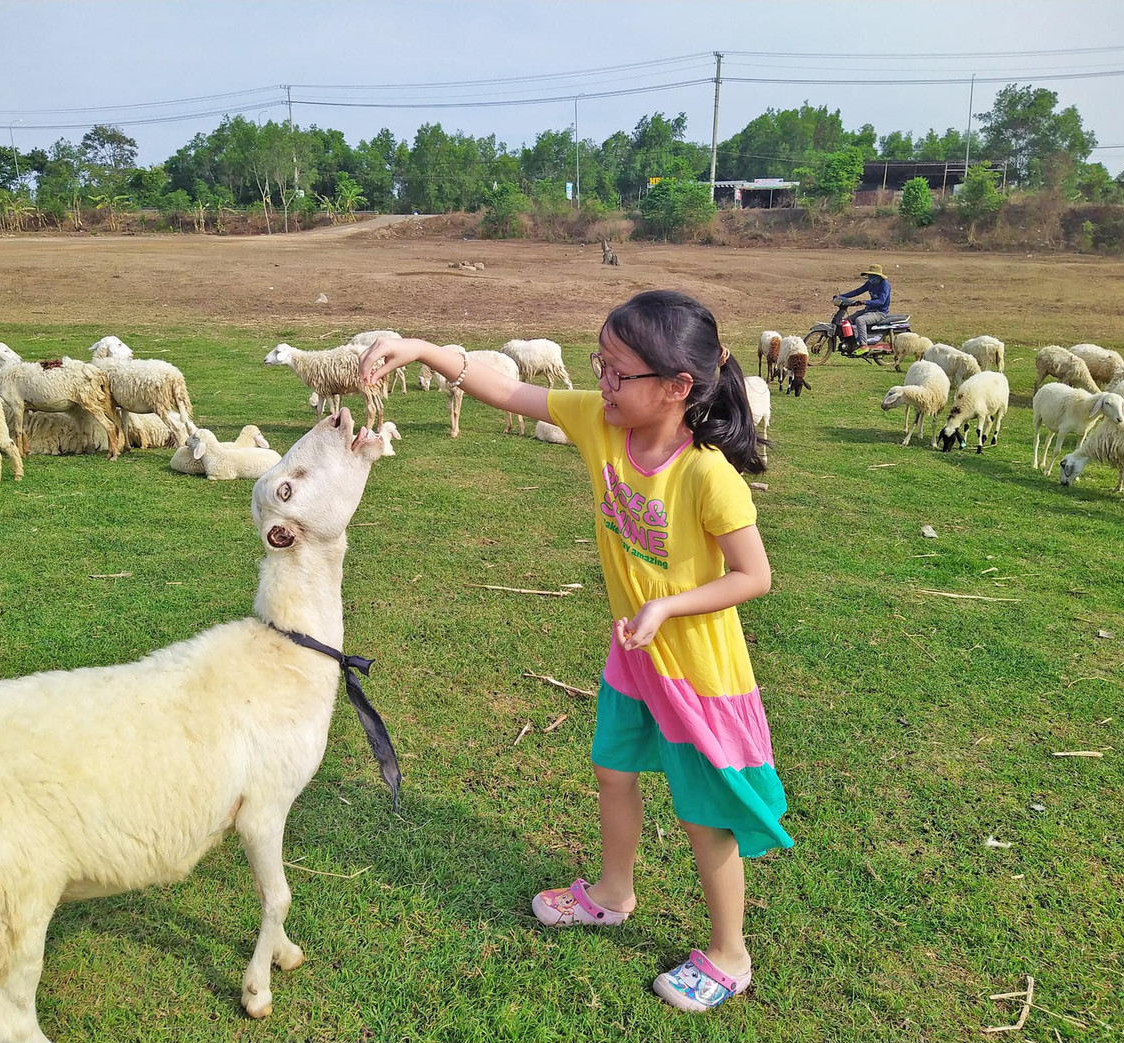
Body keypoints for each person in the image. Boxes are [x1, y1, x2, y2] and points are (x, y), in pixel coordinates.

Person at [360, 291, 792, 1013]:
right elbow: (509, 387)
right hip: (634, 657)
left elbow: (756, 574)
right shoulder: (601, 422)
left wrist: (668, 604)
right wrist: (426, 350)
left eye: (618, 371)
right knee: (611, 770)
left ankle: (729, 953)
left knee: (703, 813)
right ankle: (613, 893)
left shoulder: (706, 473)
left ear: (678, 387)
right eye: (600, 364)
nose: (602, 382)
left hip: (698, 674)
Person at [837, 263, 892, 347]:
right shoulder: (869, 283)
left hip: (879, 312)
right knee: (847, 321)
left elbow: (881, 301)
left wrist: (865, 302)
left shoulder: (885, 285)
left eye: (872, 275)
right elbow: (857, 291)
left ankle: (864, 345)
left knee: (860, 320)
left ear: (879, 276)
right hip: (869, 310)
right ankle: (852, 343)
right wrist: (842, 296)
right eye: (869, 275)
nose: (870, 278)